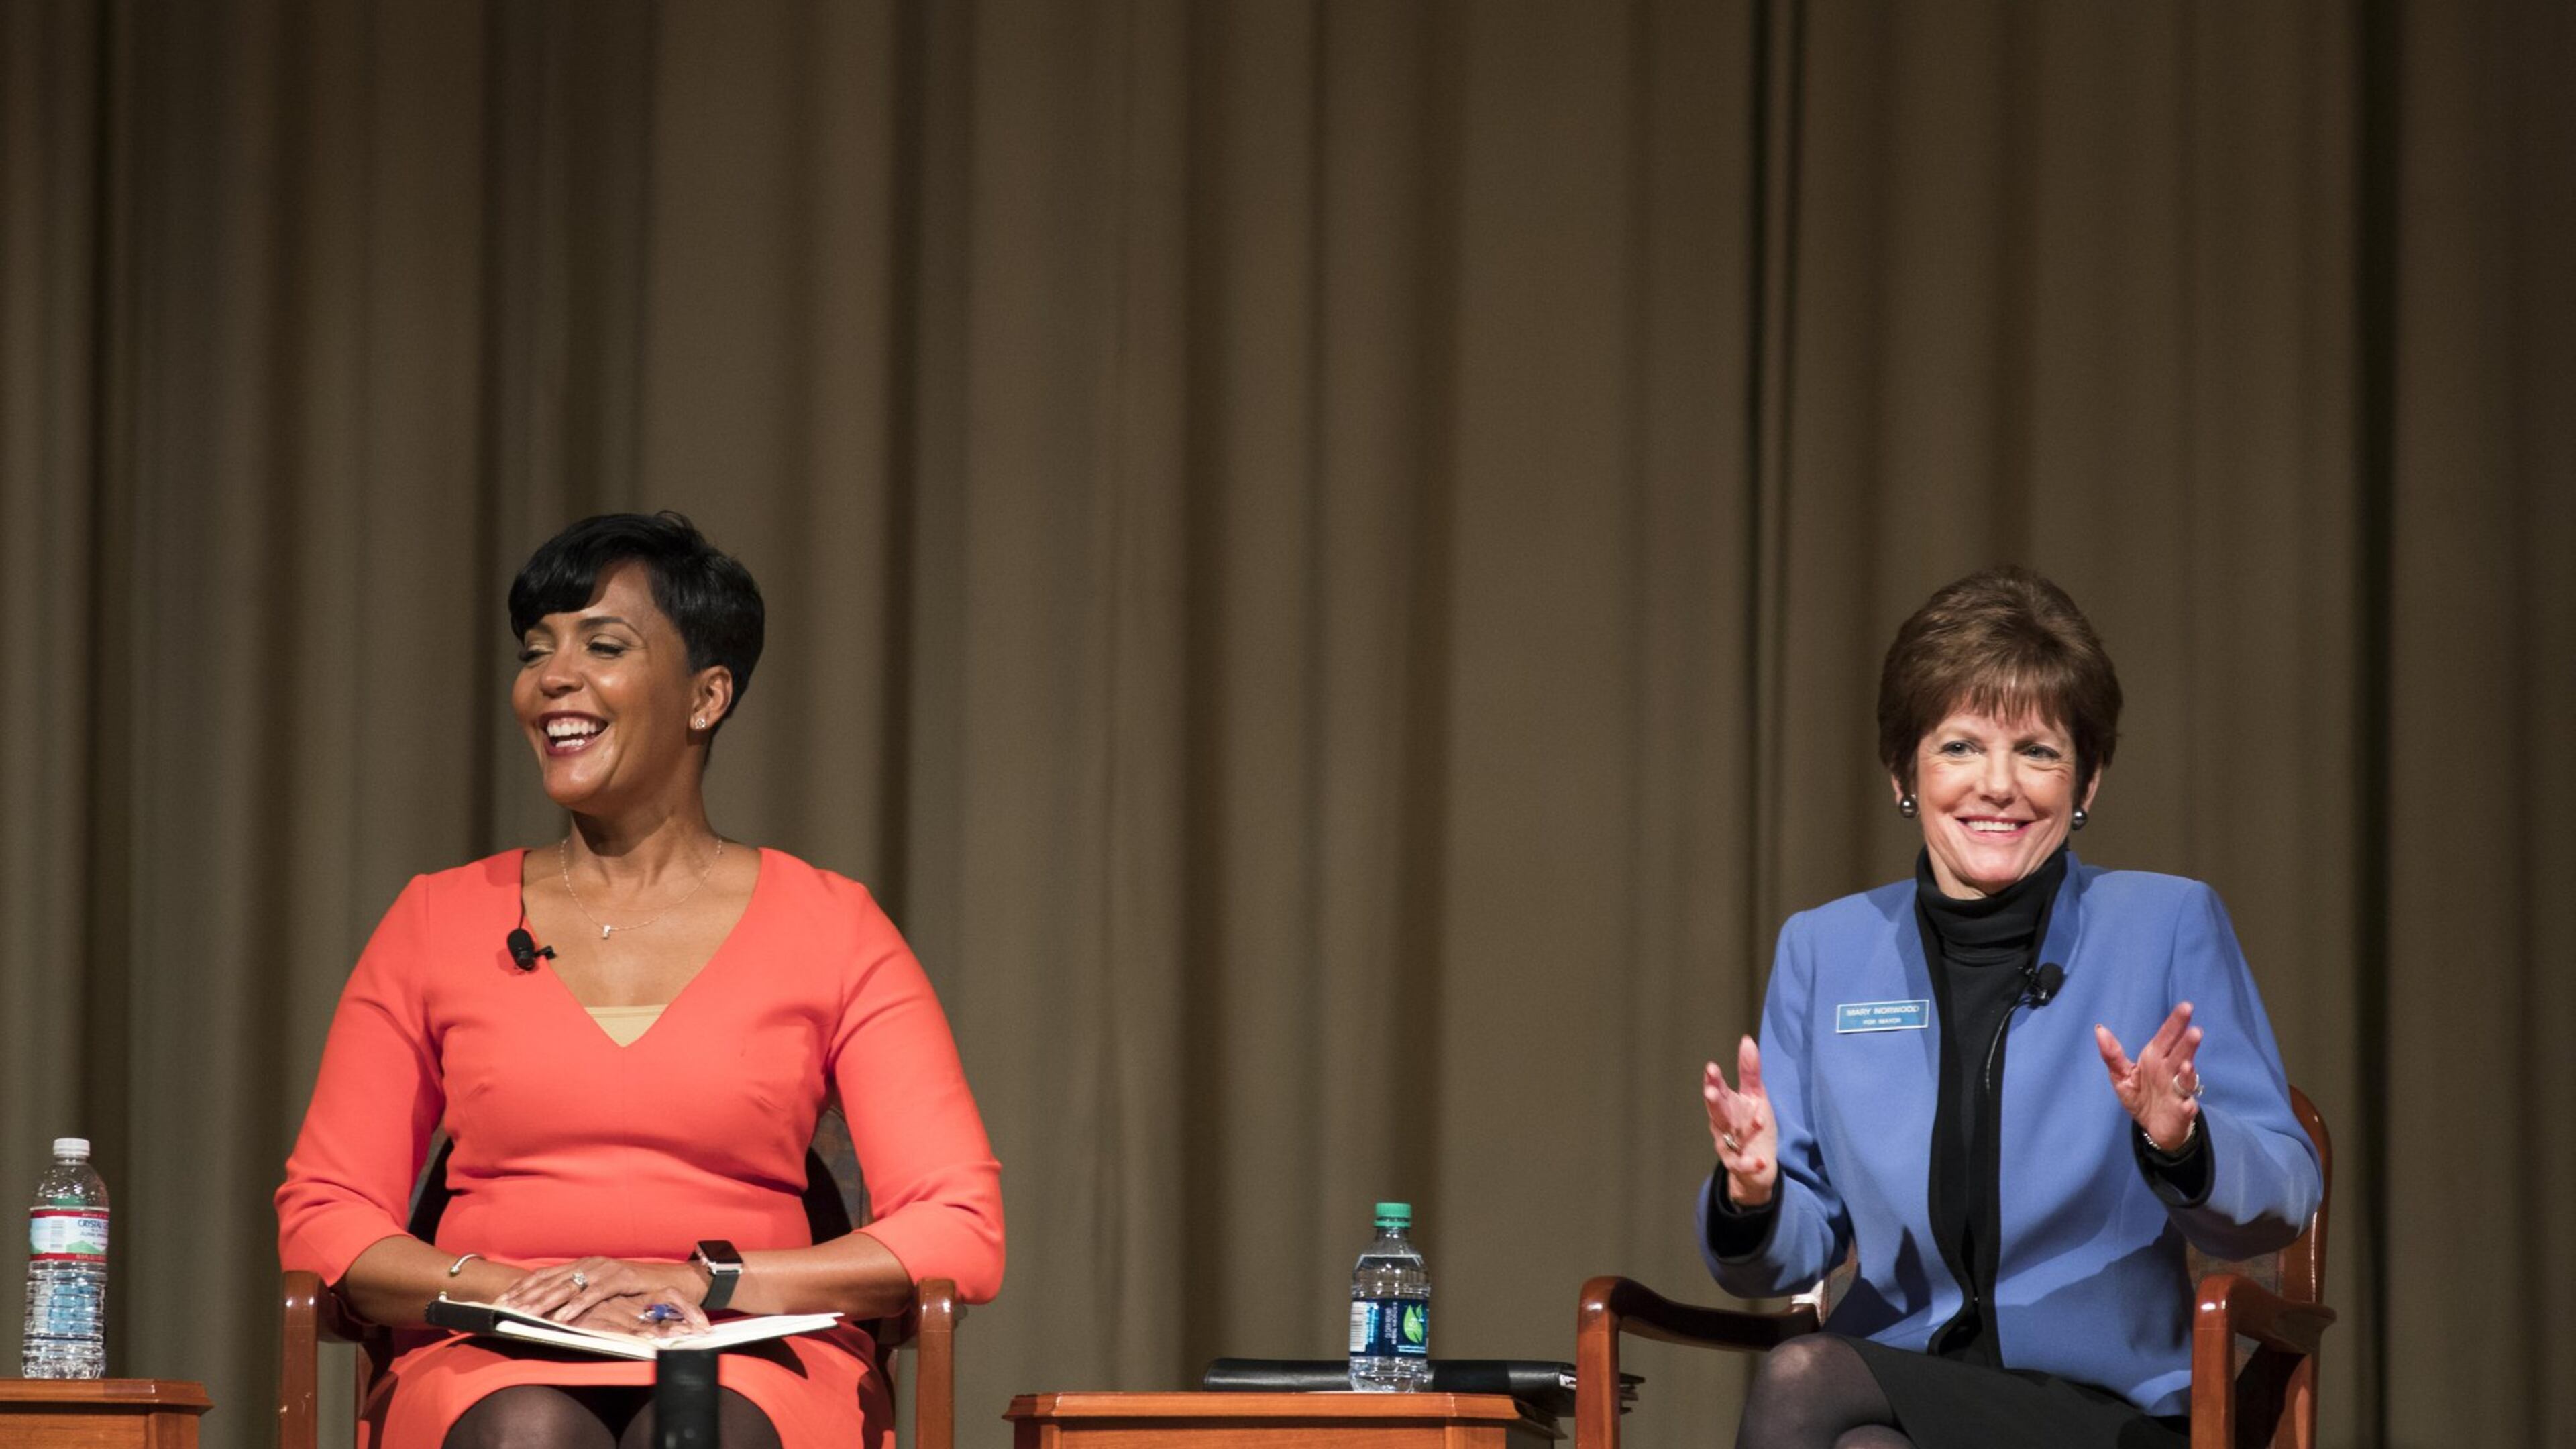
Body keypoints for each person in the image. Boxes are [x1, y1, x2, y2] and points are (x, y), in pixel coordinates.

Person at [277, 513, 1003, 1449]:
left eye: (603, 645)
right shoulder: (435, 919)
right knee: (523, 1434)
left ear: (706, 697)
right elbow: (326, 1214)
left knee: (704, 1431)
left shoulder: (833, 927)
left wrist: (708, 1284)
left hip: (751, 1350)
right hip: (489, 1351)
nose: (552, 679)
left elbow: (959, 1227)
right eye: (536, 651)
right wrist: (529, 1294)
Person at [1697, 566, 2320, 1449]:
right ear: (1901, 771)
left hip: (2105, 1405)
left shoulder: (2166, 924)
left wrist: (2184, 1147)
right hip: (1903, 1383)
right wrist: (1754, 1195)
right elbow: (1789, 1249)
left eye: (2038, 751)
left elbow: (2286, 1190)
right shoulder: (1825, 951)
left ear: (2087, 783)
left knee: (1802, 1377)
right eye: (1959, 747)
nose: (1999, 785)